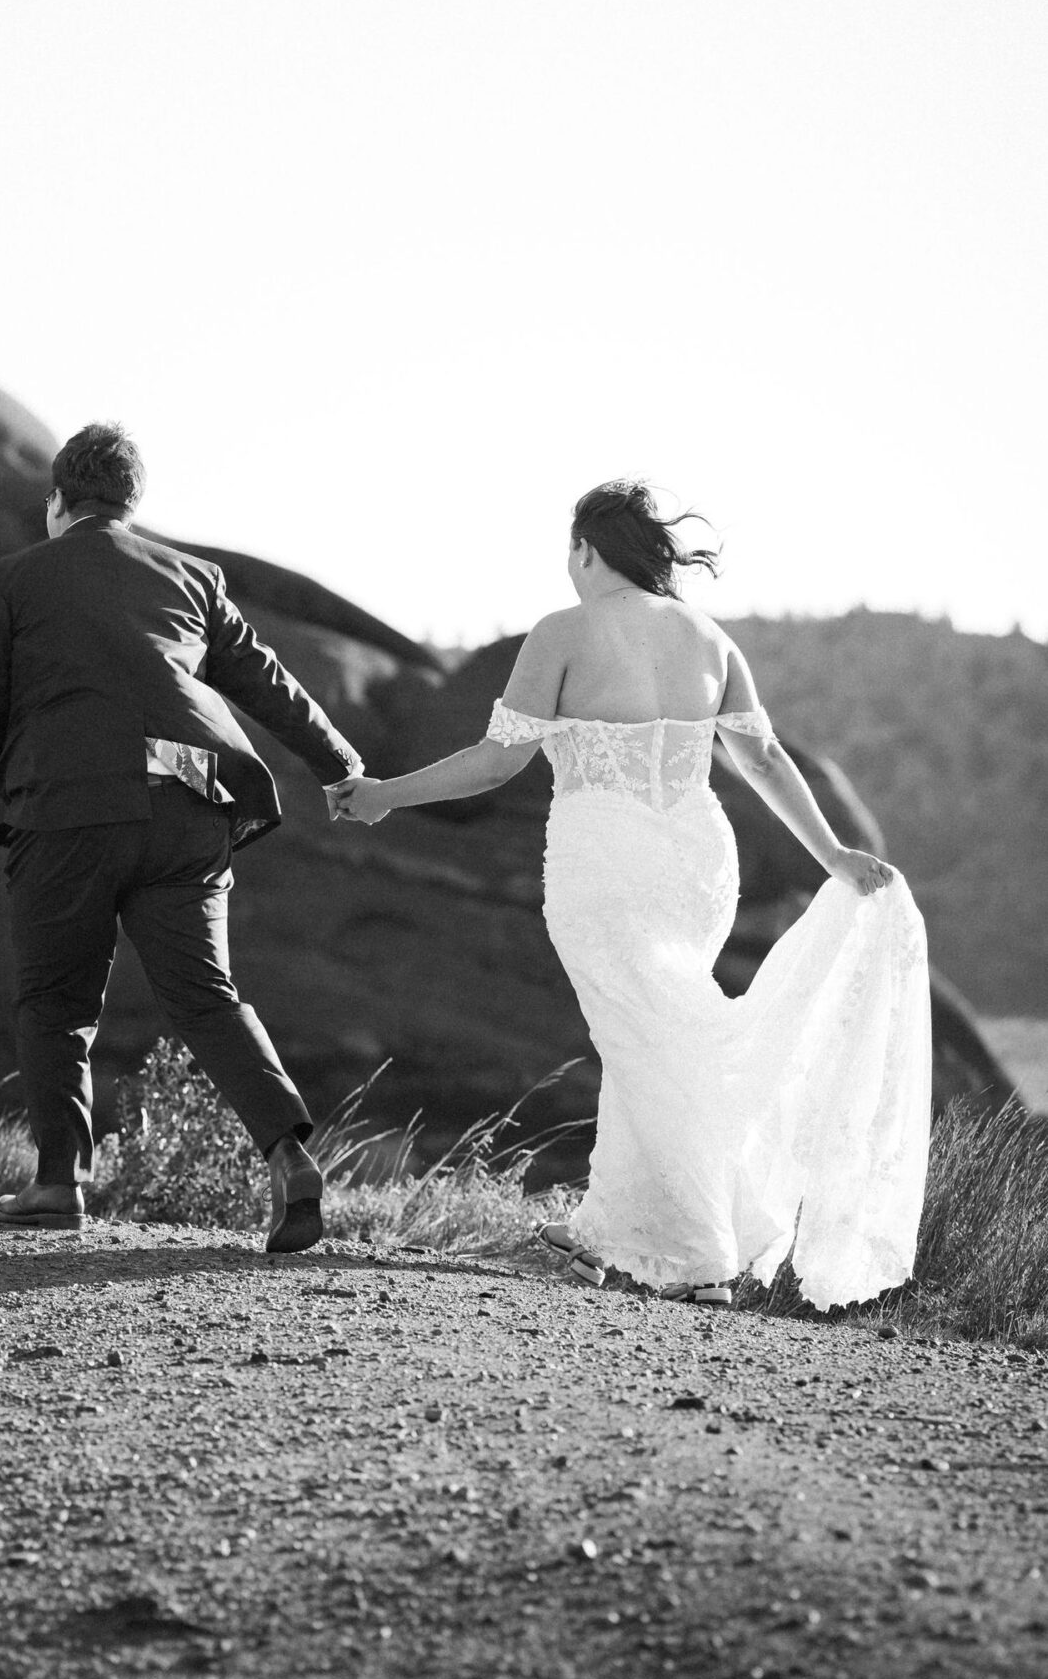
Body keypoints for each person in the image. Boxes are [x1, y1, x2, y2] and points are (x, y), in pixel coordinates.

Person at [332, 481, 931, 1310]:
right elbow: (762, 762)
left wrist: (385, 792)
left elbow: (498, 761)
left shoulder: (563, 632)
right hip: (696, 860)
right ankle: (602, 1233)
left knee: (642, 1034)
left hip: (603, 856)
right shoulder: (709, 639)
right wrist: (829, 853)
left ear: (584, 550)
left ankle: (700, 1256)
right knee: (646, 1031)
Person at [0, 422, 365, 1252]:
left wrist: (11, 771)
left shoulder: (12, 579)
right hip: (191, 803)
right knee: (204, 995)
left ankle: (59, 1181)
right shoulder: (192, 576)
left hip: (67, 810)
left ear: (57, 501)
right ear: (132, 503)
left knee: (58, 1001)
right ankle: (288, 1158)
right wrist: (341, 767)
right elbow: (270, 685)